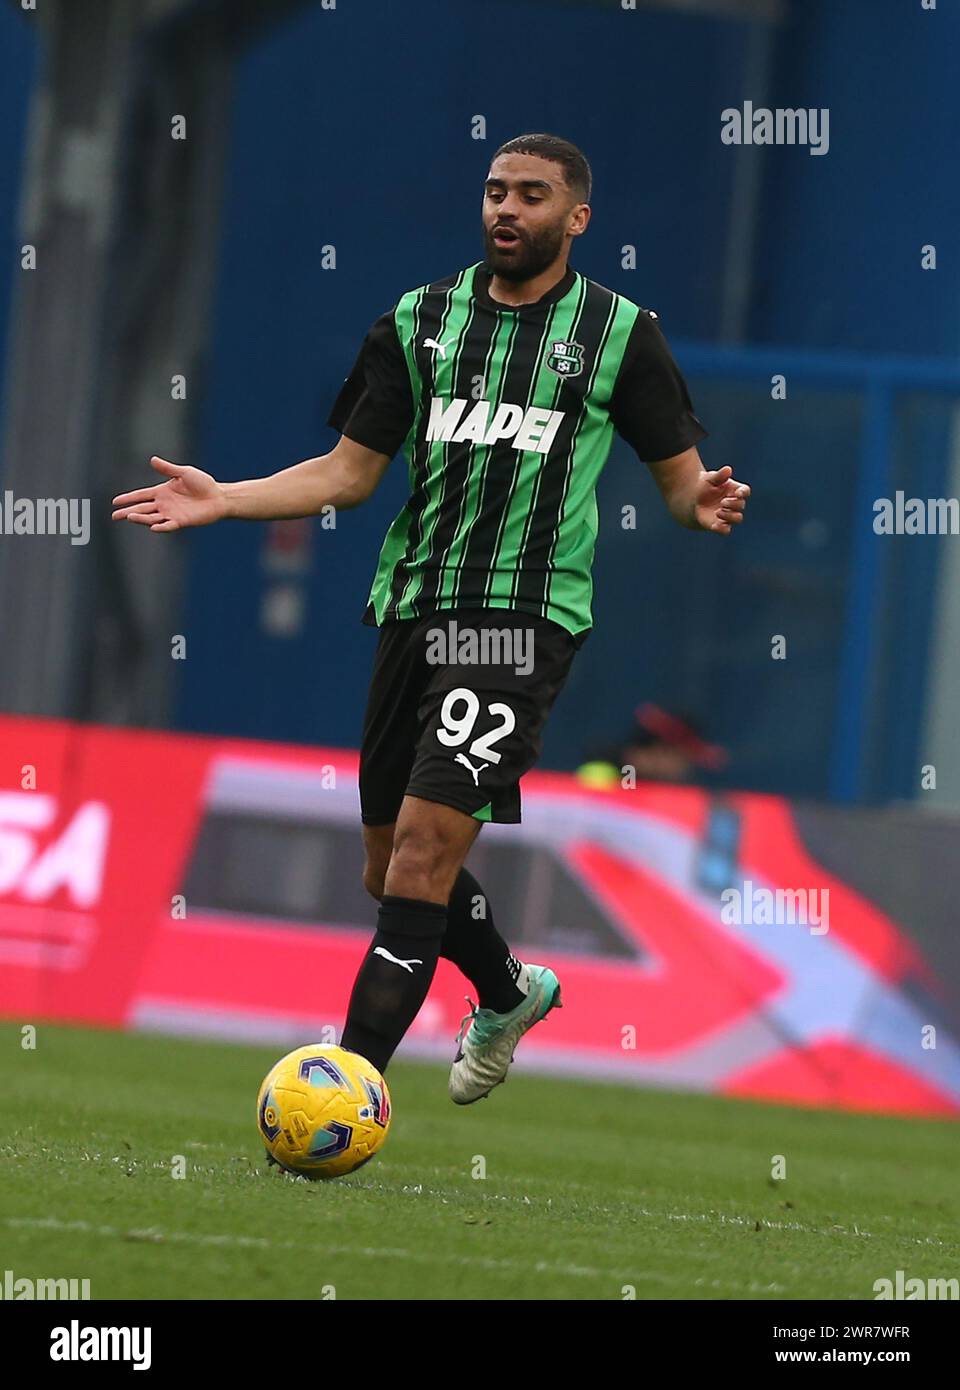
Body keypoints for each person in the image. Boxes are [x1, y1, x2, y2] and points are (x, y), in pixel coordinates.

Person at [112, 133, 750, 1105]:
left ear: (576, 218)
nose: (507, 209)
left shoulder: (620, 335)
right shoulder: (417, 321)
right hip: (412, 609)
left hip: (523, 618)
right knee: (386, 865)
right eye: (496, 191)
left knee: (421, 848)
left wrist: (699, 502)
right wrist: (224, 497)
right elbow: (347, 475)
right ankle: (508, 989)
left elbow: (678, 484)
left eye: (532, 196)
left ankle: (348, 1086)